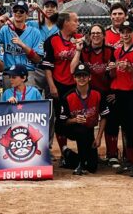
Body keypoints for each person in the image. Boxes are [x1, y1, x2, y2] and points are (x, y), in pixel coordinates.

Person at [70, 24, 117, 165]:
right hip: (89, 92)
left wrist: (115, 92)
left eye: (98, 33)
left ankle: (112, 154)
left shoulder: (110, 51)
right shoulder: (84, 51)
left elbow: (115, 75)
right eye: (93, 33)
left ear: (104, 35)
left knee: (111, 119)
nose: (95, 35)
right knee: (87, 122)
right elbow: (73, 70)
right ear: (89, 36)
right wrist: (78, 51)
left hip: (106, 91)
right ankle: (87, 151)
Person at [42, 11, 82, 164]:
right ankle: (64, 150)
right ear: (66, 23)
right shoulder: (51, 40)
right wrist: (52, 86)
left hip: (77, 85)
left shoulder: (79, 39)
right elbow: (48, 67)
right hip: (59, 84)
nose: (77, 23)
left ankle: (83, 150)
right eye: (75, 21)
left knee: (77, 116)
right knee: (60, 117)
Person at [110, 18, 133, 177]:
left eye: (128, 32)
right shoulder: (117, 51)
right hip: (120, 92)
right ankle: (129, 160)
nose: (125, 34)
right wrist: (111, 68)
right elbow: (112, 75)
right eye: (122, 32)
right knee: (124, 128)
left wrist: (130, 68)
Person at [59, 64, 108, 175]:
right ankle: (81, 164)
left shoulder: (98, 93)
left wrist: (99, 137)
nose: (81, 78)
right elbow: (63, 121)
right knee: (81, 131)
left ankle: (69, 155)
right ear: (74, 78)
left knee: (92, 167)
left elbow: (104, 116)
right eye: (79, 76)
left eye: (84, 76)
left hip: (89, 129)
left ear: (89, 77)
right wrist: (75, 120)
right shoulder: (67, 96)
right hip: (72, 128)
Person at [0, 1, 43, 89]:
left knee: (28, 101)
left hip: (27, 73)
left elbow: (37, 59)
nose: (18, 13)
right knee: (9, 100)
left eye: (21, 11)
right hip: (9, 72)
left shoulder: (35, 32)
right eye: (15, 11)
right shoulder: (5, 30)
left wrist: (23, 46)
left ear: (27, 15)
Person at [27, 0, 59, 96]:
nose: (49, 9)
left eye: (53, 6)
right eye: (47, 6)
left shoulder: (60, 26)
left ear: (57, 10)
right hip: (37, 67)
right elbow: (15, 23)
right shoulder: (33, 24)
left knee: (53, 98)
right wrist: (27, 9)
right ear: (42, 8)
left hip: (54, 68)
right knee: (36, 98)